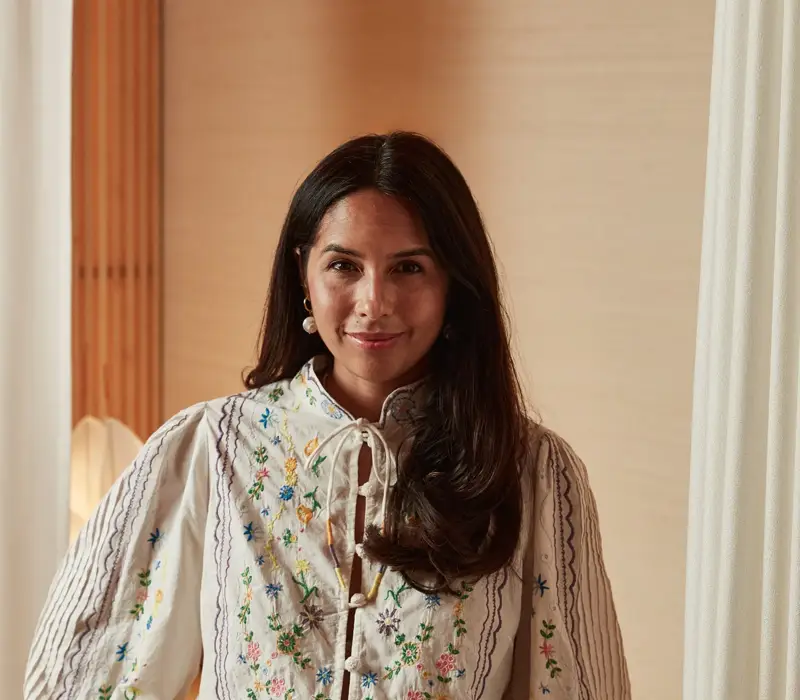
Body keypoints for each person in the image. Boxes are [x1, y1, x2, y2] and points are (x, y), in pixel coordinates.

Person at [24, 132, 630, 699]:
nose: (375, 303)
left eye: (409, 268)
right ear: (304, 276)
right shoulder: (211, 449)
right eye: (344, 266)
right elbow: (95, 676)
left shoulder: (532, 474)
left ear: (454, 286)